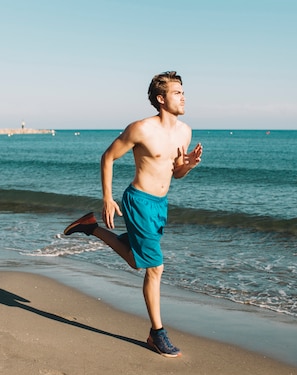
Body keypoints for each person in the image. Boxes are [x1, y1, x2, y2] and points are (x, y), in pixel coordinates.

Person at [64, 71, 203, 358]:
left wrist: (187, 166)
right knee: (155, 267)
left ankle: (90, 227)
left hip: (160, 205)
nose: (183, 96)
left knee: (137, 261)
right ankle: (157, 333)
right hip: (138, 201)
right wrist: (107, 197)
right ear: (161, 99)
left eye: (183, 91)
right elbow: (108, 157)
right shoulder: (140, 129)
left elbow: (174, 174)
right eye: (177, 93)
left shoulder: (185, 131)